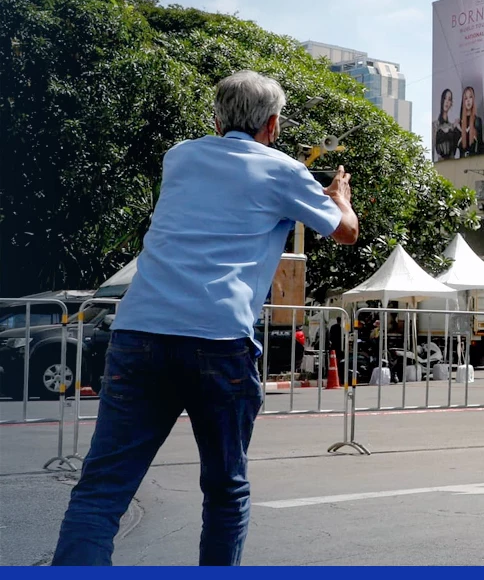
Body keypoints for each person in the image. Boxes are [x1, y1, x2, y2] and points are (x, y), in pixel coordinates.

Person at [52, 70, 359, 565]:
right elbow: (345, 233)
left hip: (139, 332)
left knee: (102, 489)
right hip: (217, 342)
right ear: (274, 125)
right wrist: (338, 193)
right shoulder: (283, 170)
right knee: (224, 489)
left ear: (216, 119)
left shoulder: (180, 157)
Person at [433, 88, 460, 161]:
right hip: (439, 164)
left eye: (449, 99)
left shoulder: (453, 125)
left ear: (451, 103)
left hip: (452, 163)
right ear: (442, 100)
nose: (447, 102)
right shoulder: (435, 124)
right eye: (445, 98)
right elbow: (432, 148)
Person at [457, 86, 483, 158]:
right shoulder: (459, 124)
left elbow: (481, 147)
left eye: (470, 97)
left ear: (473, 99)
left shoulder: (478, 121)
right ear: (463, 101)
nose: (468, 100)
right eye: (466, 98)